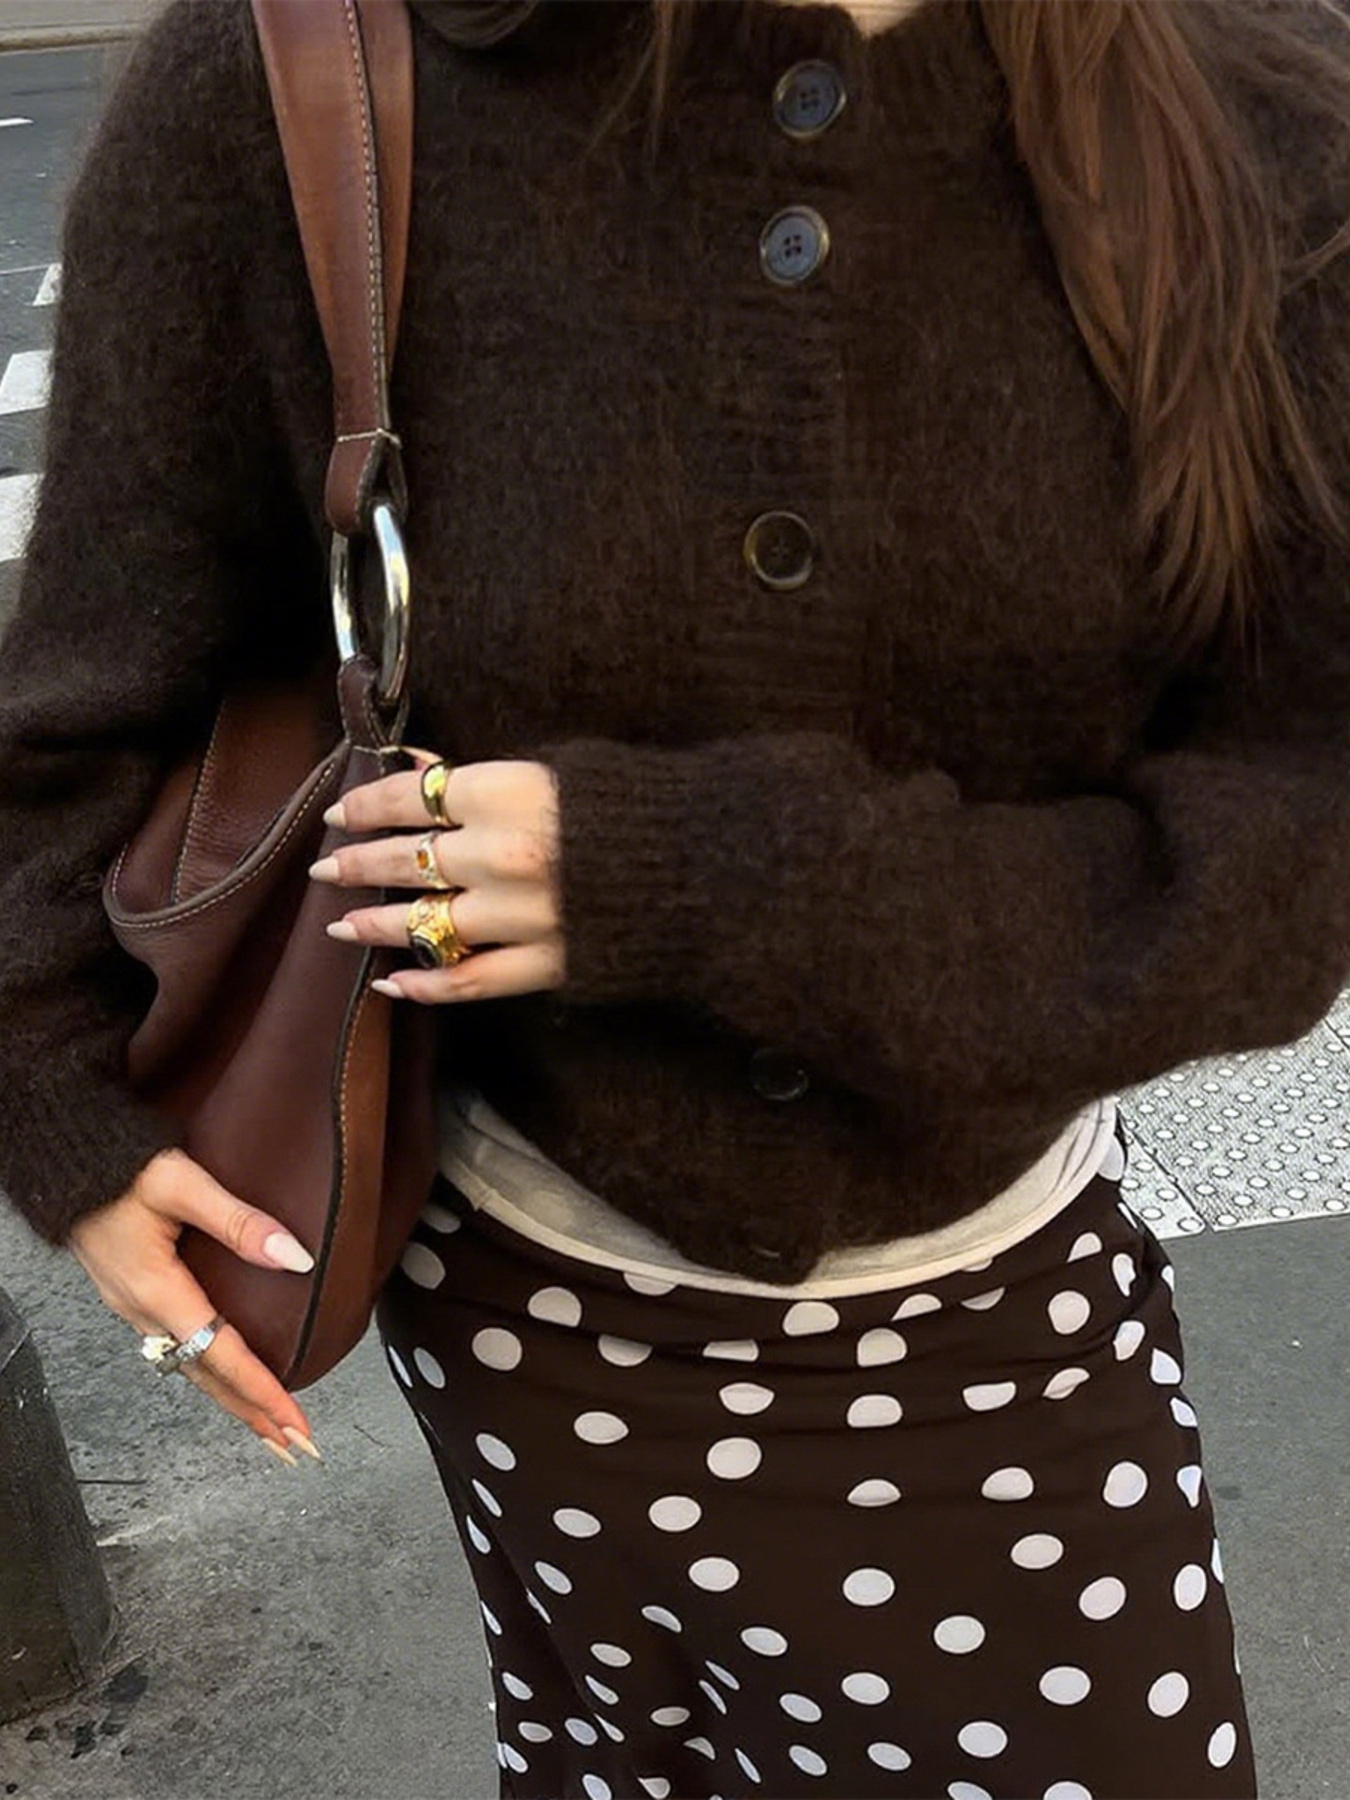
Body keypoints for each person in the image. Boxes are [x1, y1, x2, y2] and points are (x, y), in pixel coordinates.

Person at [2, 0, 1350, 1792]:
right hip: (504, 1282)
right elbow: (84, 704)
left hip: (975, 1301)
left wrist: (726, 881)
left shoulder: (1260, 114)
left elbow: (1294, 841)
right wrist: (57, 1101)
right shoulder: (305, 80)